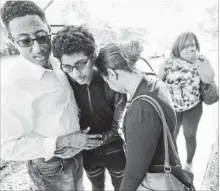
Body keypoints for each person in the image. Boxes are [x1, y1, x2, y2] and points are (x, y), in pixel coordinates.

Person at [1, 1, 103, 191]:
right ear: (10, 39)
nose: (38, 49)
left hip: (77, 153)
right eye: (25, 41)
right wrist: (65, 141)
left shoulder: (58, 61)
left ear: (48, 28)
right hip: (50, 166)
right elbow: (6, 147)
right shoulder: (11, 85)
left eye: (42, 36)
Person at [95, 41, 180, 191]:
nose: (108, 85)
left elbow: (134, 173)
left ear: (112, 74)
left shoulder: (141, 110)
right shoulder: (154, 83)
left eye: (106, 80)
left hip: (154, 180)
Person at [52, 25, 126, 191]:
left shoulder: (111, 79)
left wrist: (90, 142)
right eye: (68, 67)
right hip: (87, 153)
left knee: (122, 186)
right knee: (96, 185)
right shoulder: (65, 83)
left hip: (115, 148)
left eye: (80, 64)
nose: (76, 74)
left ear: (93, 56)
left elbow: (120, 125)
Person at [158, 32, 215, 168]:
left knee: (189, 135)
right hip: (172, 108)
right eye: (186, 45)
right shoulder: (167, 62)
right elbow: (158, 82)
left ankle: (189, 162)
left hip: (193, 107)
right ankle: (175, 162)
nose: (190, 49)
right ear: (178, 47)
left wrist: (196, 61)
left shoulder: (201, 60)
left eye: (193, 45)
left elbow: (208, 78)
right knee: (172, 136)